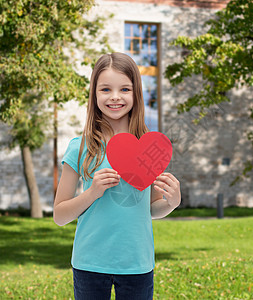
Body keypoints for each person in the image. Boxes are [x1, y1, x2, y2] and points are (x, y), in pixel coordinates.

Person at [53, 53, 181, 300]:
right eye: (105, 89)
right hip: (90, 263)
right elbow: (60, 215)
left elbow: (150, 209)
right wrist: (92, 192)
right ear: (94, 94)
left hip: (137, 264)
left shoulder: (149, 148)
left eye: (124, 89)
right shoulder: (80, 147)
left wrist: (171, 203)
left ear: (136, 94)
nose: (115, 97)